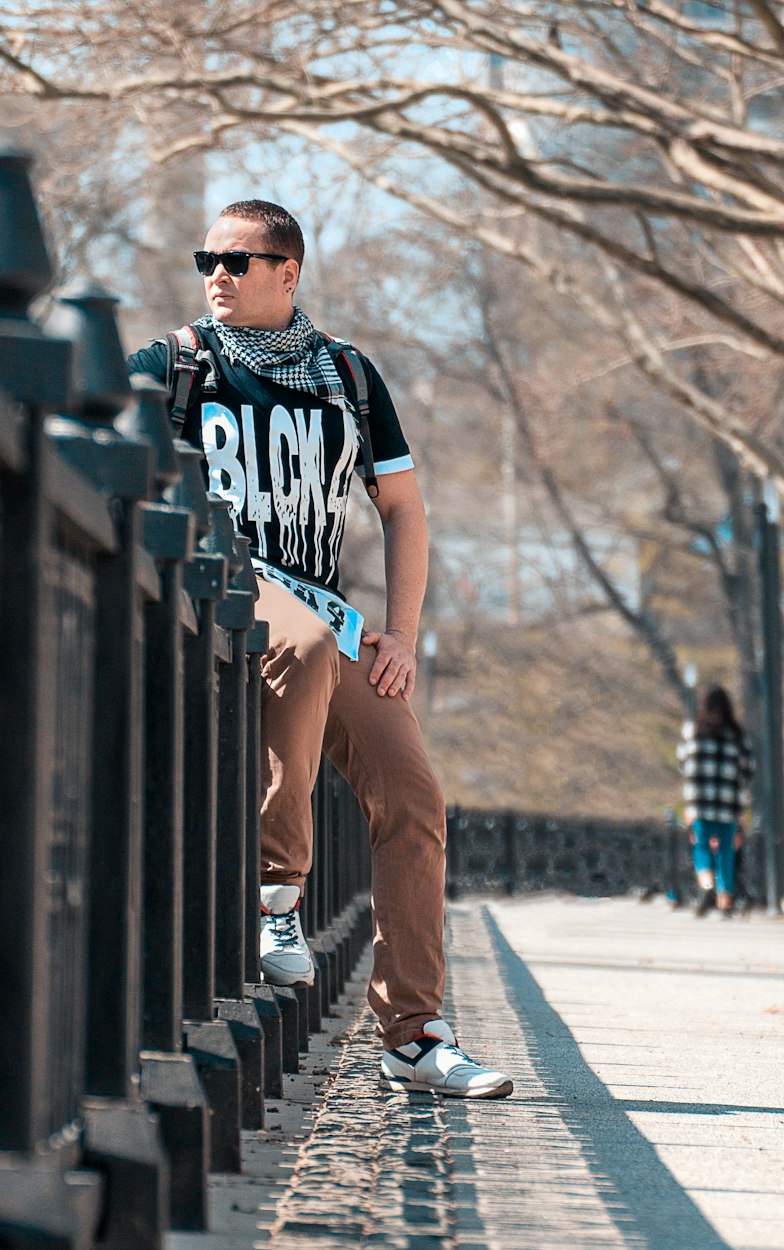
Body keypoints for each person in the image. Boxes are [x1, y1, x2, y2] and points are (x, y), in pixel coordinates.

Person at [128, 199, 511, 1098]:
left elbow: (405, 510)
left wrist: (403, 636)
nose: (215, 273)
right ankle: (274, 894)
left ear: (288, 274)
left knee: (414, 798)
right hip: (215, 602)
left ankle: (413, 1033)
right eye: (205, 258)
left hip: (327, 621)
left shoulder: (346, 375)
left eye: (237, 260)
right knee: (295, 636)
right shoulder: (174, 365)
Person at [676, 684, 754, 916]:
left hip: (700, 804)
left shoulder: (693, 730)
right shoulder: (737, 735)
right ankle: (724, 896)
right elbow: (749, 769)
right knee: (726, 851)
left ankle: (706, 878)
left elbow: (682, 763)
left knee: (700, 844)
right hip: (729, 805)